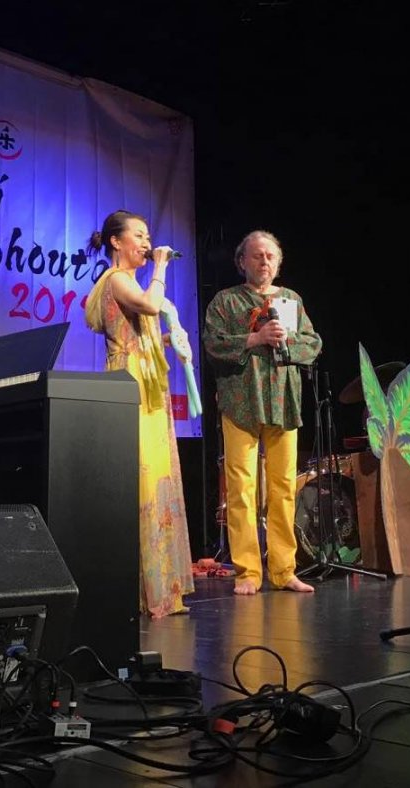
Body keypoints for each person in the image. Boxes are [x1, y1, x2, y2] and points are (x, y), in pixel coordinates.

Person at [84, 210, 195, 619]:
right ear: (116, 242)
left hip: (146, 376)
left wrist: (169, 339)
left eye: (149, 237)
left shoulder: (128, 281)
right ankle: (144, 589)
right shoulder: (116, 279)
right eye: (140, 236)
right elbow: (150, 305)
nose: (148, 244)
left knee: (158, 475)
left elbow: (140, 330)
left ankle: (161, 588)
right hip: (130, 380)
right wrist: (162, 266)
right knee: (143, 478)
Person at [202, 230, 322, 595]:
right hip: (241, 401)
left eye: (270, 256)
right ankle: (248, 572)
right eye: (257, 255)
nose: (264, 261)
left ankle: (284, 570)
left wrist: (287, 340)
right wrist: (254, 339)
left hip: (283, 400)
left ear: (279, 262)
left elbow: (313, 343)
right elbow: (213, 344)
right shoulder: (226, 301)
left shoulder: (290, 300)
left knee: (283, 487)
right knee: (242, 488)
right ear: (242, 262)